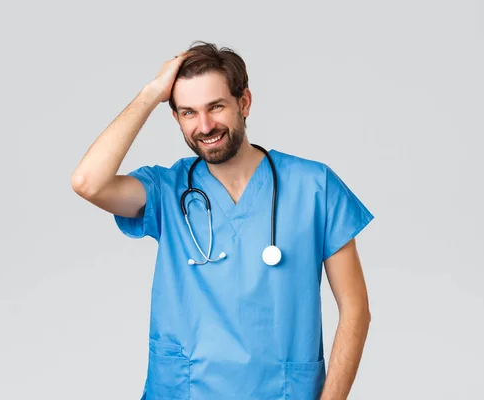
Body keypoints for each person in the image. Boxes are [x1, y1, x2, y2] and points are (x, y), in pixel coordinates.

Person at [71, 41, 375, 400]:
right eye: (188, 112)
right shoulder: (166, 190)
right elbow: (87, 182)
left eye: (216, 107)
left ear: (244, 103)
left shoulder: (314, 187)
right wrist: (151, 93)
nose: (205, 125)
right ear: (176, 118)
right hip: (184, 391)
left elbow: (356, 310)